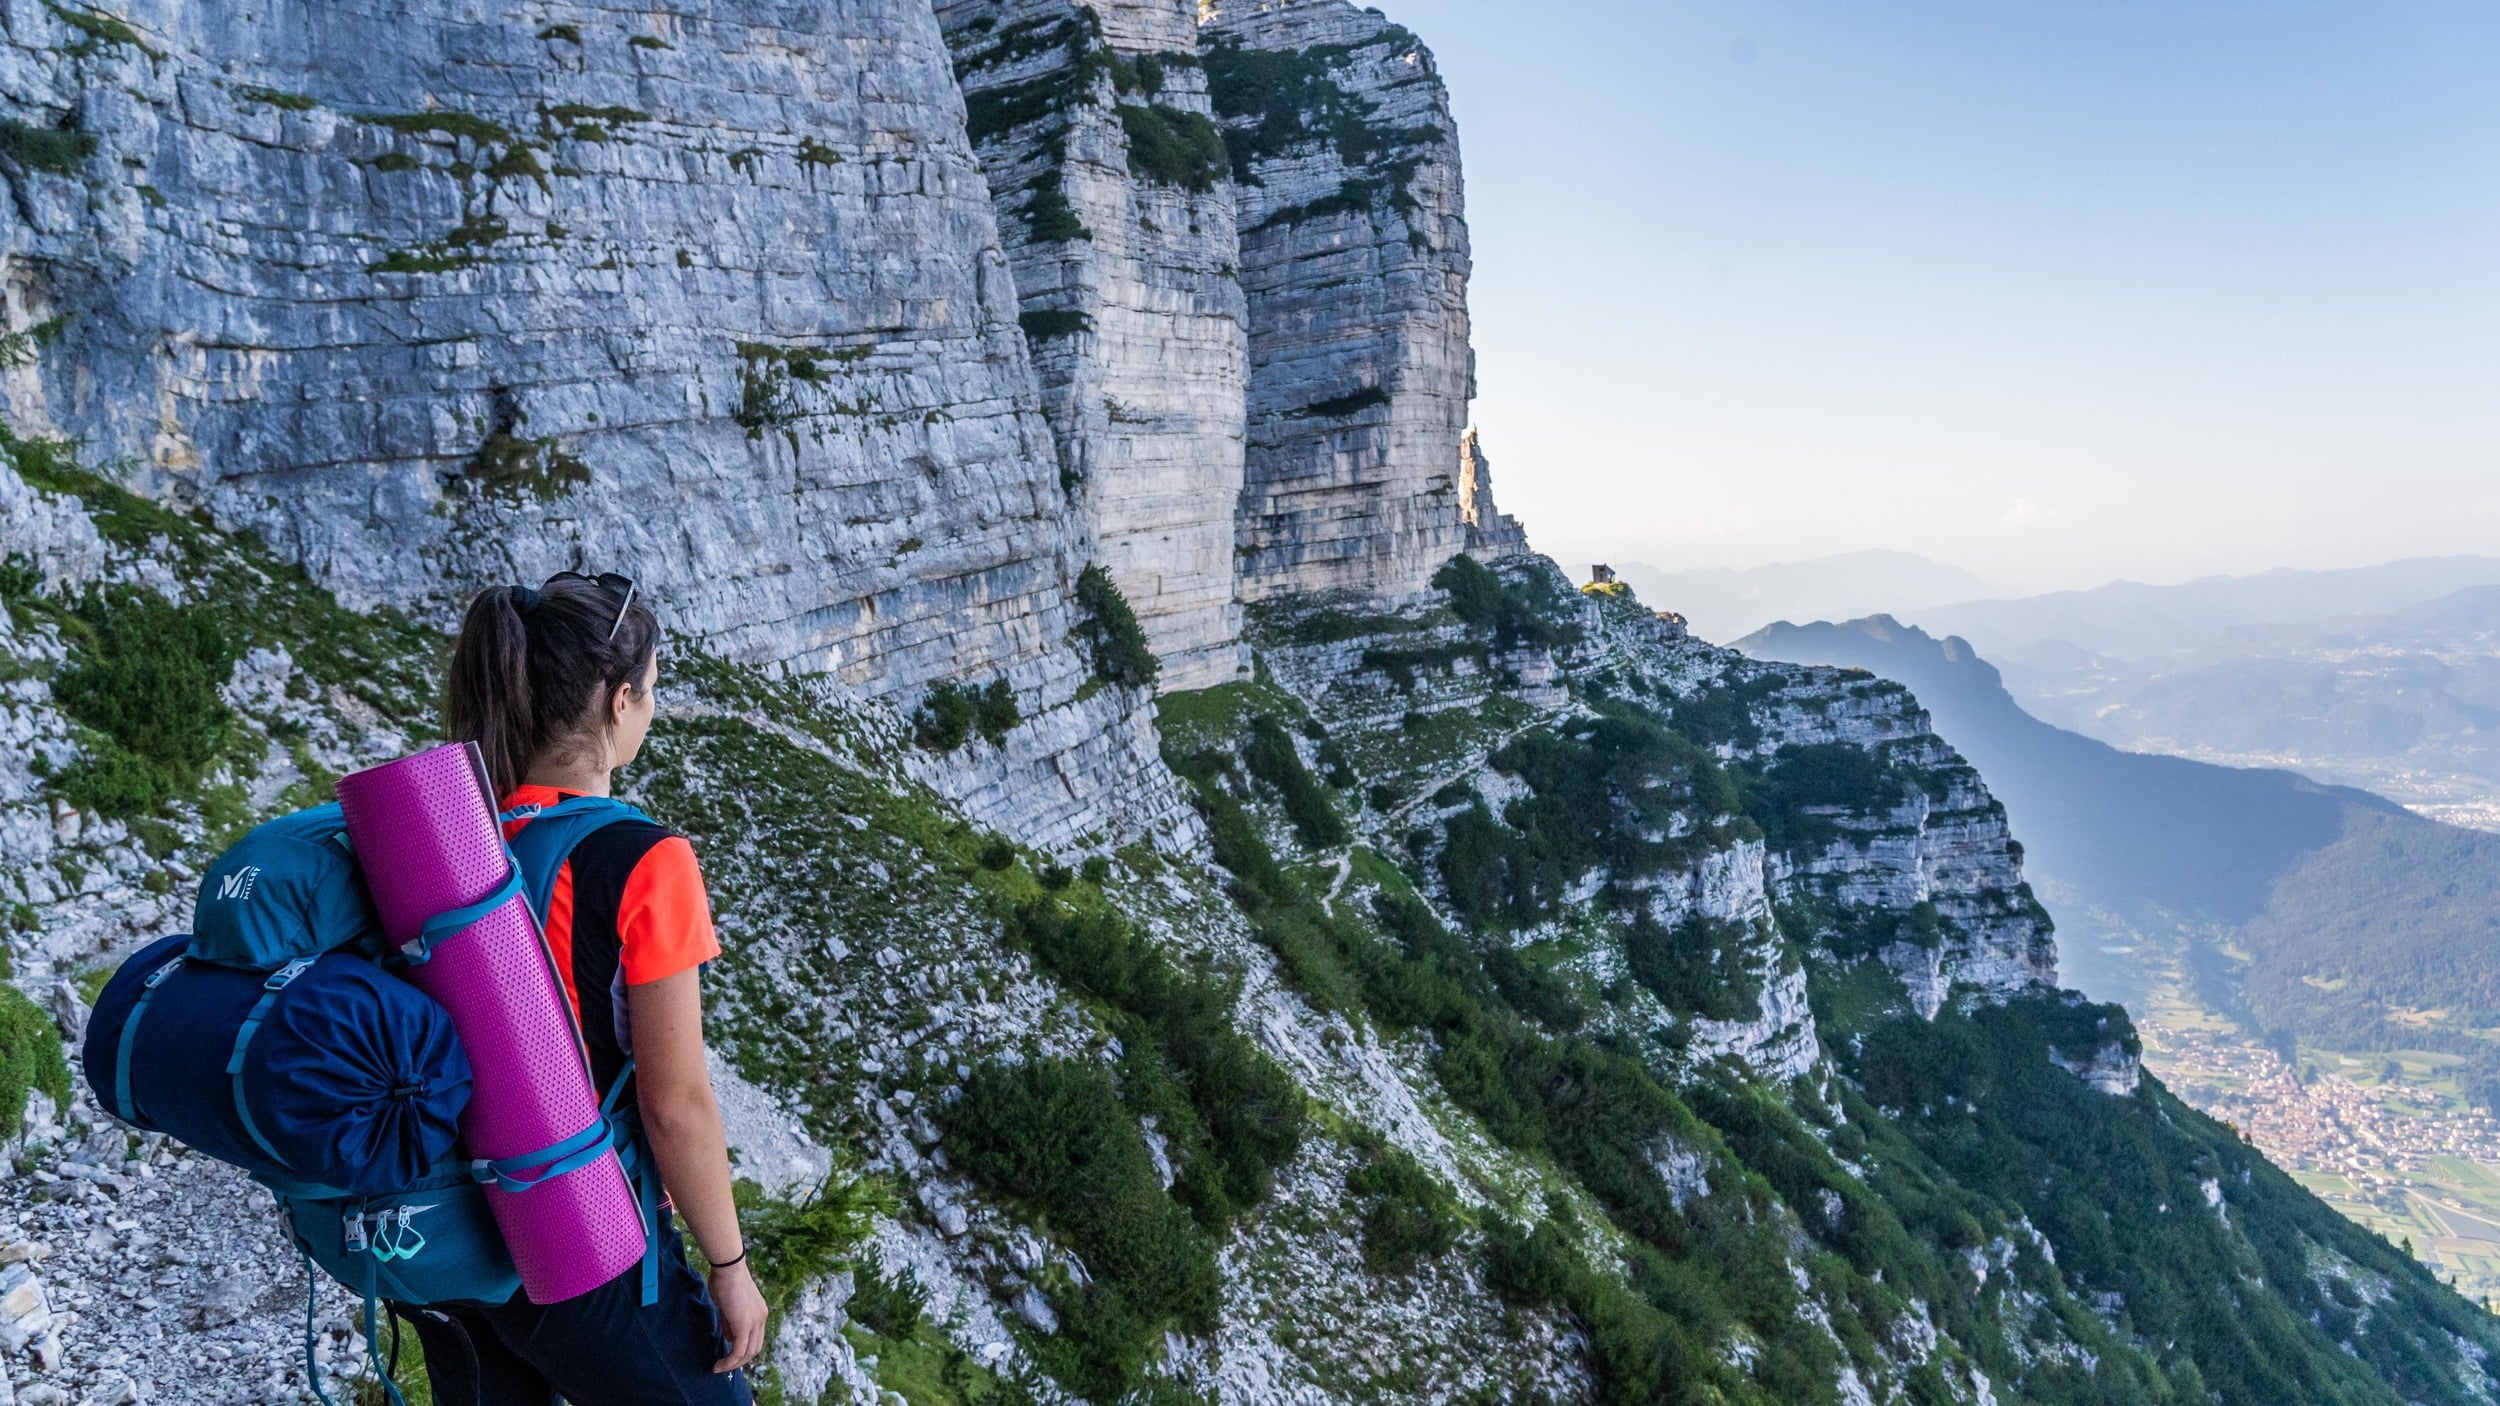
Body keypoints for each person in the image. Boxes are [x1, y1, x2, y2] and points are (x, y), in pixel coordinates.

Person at [404, 570, 768, 1405]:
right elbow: (673, 1102)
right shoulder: (645, 859)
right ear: (616, 701)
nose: (651, 707)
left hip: (455, 1249)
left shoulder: (449, 842)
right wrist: (730, 1266)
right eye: (650, 690)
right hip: (584, 1245)